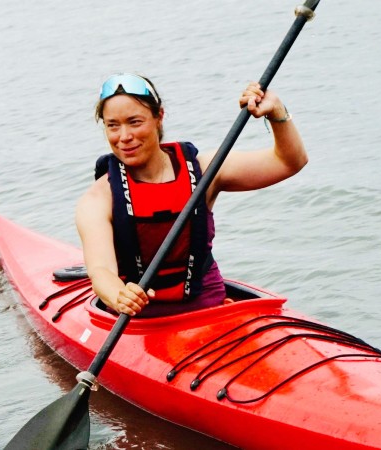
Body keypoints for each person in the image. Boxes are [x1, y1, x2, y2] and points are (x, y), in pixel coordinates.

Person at [76, 73, 307, 317]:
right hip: (139, 321)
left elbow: (290, 162)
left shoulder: (205, 172)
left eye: (135, 122)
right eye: (113, 125)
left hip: (210, 312)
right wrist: (119, 296)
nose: (124, 136)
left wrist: (276, 112)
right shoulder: (98, 199)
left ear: (159, 117)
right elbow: (101, 271)